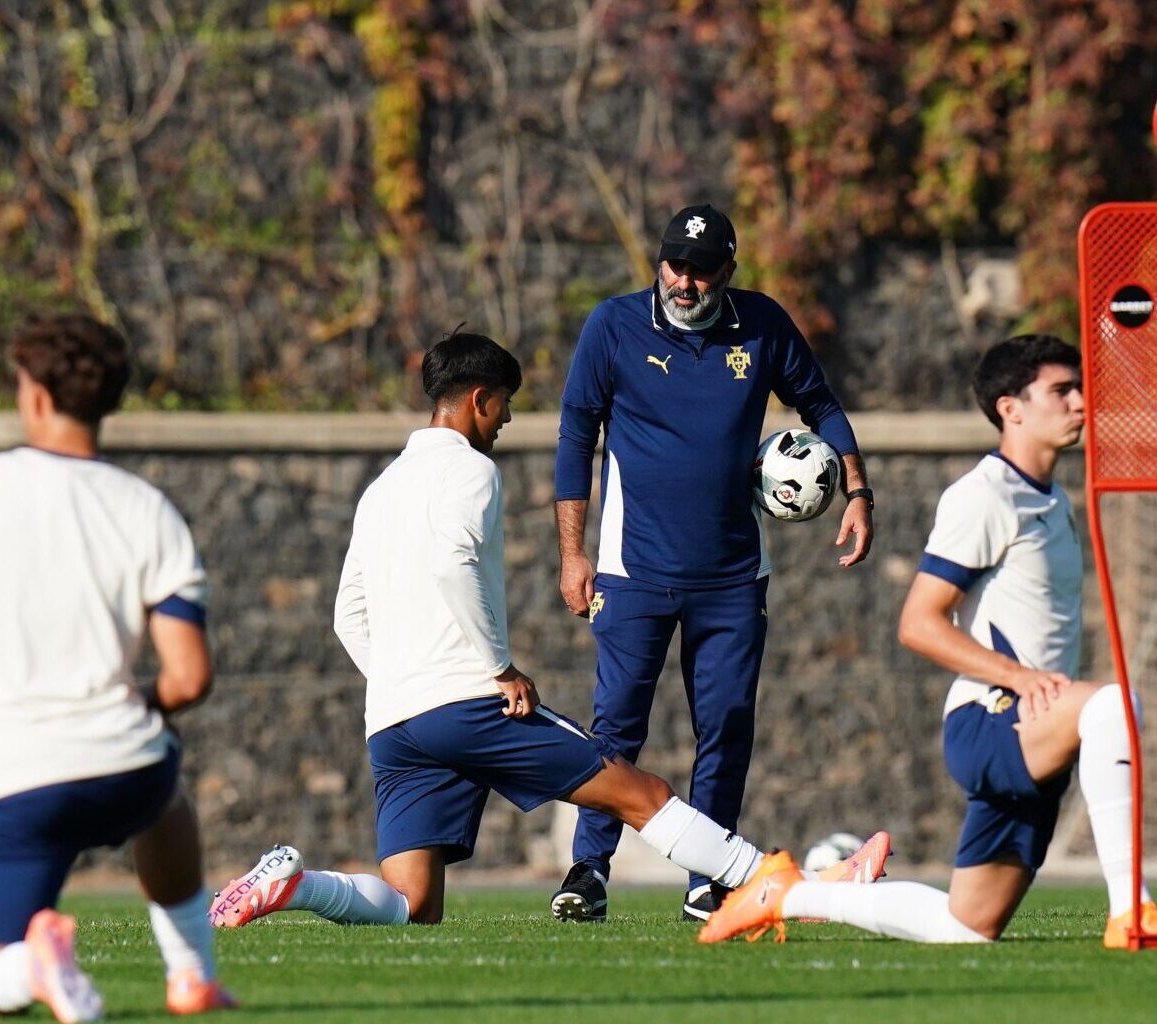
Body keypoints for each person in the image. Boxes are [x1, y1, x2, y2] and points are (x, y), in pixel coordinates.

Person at [208, 332, 888, 930]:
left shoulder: (383, 485)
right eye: (504, 402)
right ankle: (792, 890)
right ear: (478, 399)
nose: (507, 418)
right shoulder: (471, 470)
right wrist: (498, 667)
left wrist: (398, 678)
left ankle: (296, 885)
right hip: (469, 703)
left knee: (411, 902)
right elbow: (452, 565)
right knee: (641, 794)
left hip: (393, 720)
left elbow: (346, 613)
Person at [700, 335, 1157, 947]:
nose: (1080, 402)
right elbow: (919, 622)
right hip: (992, 720)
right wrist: (1019, 678)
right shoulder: (984, 495)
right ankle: (1132, 908)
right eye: (1060, 390)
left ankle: (786, 891)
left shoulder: (1048, 497)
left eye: (1078, 388)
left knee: (966, 929)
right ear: (1011, 408)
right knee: (1111, 706)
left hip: (1033, 731)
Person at [0, 314, 234, 1021]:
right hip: (126, 772)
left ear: (38, 397)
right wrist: (142, 704)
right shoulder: (150, 509)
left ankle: (31, 965)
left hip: (11, 786)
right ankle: (192, 974)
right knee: (165, 791)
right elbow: (189, 678)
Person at [551, 204, 876, 921]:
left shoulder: (761, 325)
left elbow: (821, 405)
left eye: (700, 270)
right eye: (674, 265)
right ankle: (589, 868)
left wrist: (858, 491)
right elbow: (576, 436)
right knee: (616, 726)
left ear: (727, 271)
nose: (684, 281)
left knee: (727, 722)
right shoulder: (613, 326)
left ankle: (711, 877)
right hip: (632, 572)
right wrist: (572, 553)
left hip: (733, 576)